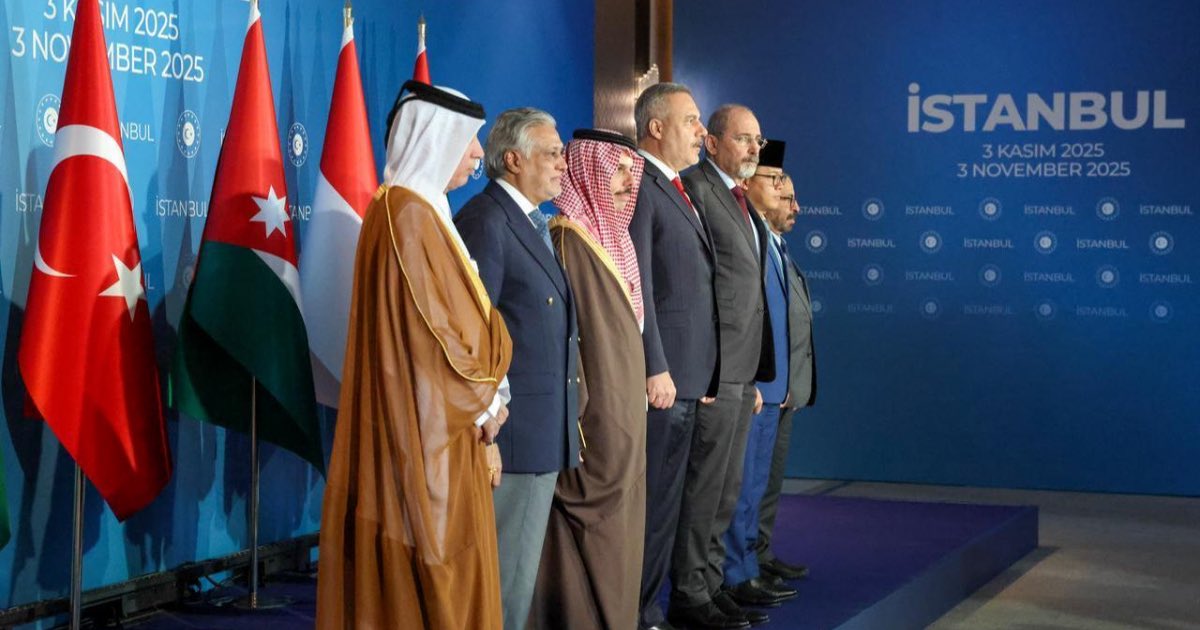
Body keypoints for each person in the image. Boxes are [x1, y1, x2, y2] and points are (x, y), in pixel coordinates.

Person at [316, 80, 511, 630]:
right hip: (429, 433)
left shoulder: (421, 211)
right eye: (469, 141)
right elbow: (429, 338)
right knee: (430, 576)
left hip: (440, 427)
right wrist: (483, 403)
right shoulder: (407, 216)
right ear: (436, 141)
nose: (477, 153)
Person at [455, 108, 582, 630]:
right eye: (551, 153)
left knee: (520, 575)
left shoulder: (529, 221)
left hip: (539, 431)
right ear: (513, 160)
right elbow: (473, 329)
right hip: (511, 435)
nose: (562, 166)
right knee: (504, 582)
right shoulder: (487, 221)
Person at [528, 128, 649, 629]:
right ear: (589, 171)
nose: (626, 181)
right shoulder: (567, 238)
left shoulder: (612, 237)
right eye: (615, 169)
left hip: (624, 413)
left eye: (630, 170)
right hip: (594, 419)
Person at [671, 104, 777, 630]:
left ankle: (712, 584)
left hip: (741, 370)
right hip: (713, 371)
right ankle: (689, 593)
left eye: (758, 139)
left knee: (727, 489)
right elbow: (697, 288)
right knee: (704, 487)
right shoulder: (694, 189)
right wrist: (710, 369)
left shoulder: (742, 200)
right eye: (743, 139)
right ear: (711, 143)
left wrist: (754, 371)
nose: (755, 148)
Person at [628, 82, 721, 630]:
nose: (700, 132)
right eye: (690, 121)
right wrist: (654, 365)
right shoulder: (640, 184)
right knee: (656, 505)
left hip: (688, 375)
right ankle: (638, 611)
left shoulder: (678, 187)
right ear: (656, 127)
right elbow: (639, 283)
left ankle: (653, 605)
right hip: (663, 378)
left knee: (672, 504)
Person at [722, 140, 800, 608]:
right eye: (775, 181)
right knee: (739, 490)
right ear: (747, 183)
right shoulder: (742, 231)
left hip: (773, 384)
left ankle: (750, 563)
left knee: (756, 489)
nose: (784, 192)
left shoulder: (769, 239)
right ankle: (736, 572)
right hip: (748, 383)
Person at [754, 173, 817, 582]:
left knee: (770, 481)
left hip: (786, 388)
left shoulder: (781, 250)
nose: (796, 207)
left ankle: (759, 552)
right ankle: (741, 564)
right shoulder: (756, 247)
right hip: (761, 389)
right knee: (749, 483)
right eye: (786, 197)